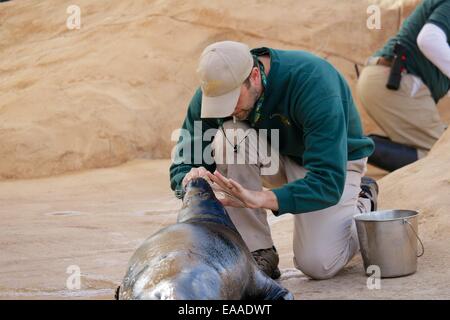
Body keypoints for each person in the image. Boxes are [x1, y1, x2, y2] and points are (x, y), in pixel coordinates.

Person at [169, 41, 378, 280]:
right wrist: (188, 179)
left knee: (319, 263)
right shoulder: (215, 92)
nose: (227, 110)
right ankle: (258, 251)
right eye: (220, 103)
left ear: (254, 76)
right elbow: (185, 160)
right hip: (277, 156)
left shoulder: (312, 80)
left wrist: (262, 199)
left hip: (332, 165)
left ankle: (363, 201)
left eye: (233, 100)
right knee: (231, 134)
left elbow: (327, 180)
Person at [357, 0, 450, 172]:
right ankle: (350, 148)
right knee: (442, 155)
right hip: (396, 82)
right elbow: (429, 40)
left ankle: (355, 146)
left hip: (387, 81)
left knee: (437, 149)